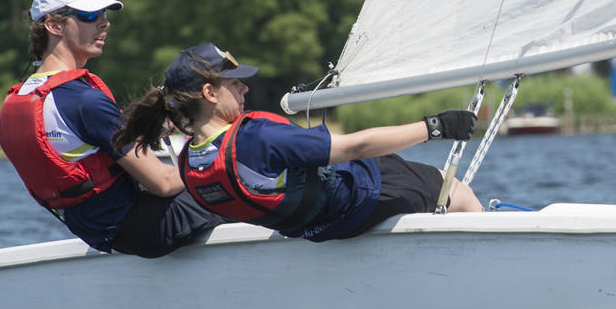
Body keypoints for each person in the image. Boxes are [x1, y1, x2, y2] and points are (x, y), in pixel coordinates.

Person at [116, 42, 484, 240]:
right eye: (235, 84)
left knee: (402, 170)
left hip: (315, 232)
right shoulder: (256, 138)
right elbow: (354, 147)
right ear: (210, 93)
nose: (245, 88)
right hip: (363, 200)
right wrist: (434, 126)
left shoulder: (189, 163)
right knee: (458, 192)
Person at [0, 0, 227, 257]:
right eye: (89, 15)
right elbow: (163, 183)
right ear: (54, 25)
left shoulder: (21, 98)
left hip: (94, 229)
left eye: (103, 14)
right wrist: (223, 159)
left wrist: (146, 130)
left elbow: (84, 146)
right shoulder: (83, 100)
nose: (104, 22)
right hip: (138, 230)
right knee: (232, 185)